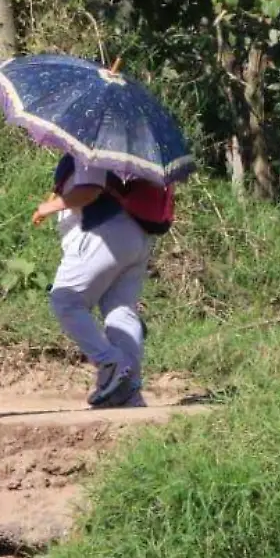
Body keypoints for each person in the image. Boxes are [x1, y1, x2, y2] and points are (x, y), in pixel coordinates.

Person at [31, 153, 162, 408]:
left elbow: (90, 189)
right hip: (135, 235)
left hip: (103, 235)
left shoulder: (90, 150)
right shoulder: (121, 150)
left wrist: (51, 206)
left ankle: (110, 362)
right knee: (120, 311)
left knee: (65, 300)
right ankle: (128, 389)